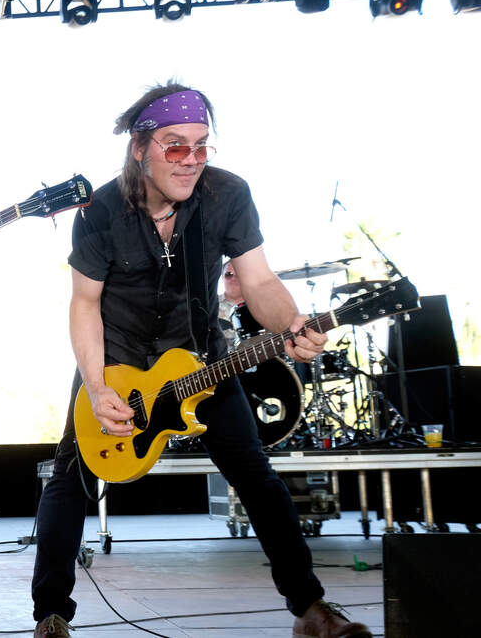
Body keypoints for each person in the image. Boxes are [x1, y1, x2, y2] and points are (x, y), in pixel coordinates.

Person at [30, 83, 372, 638]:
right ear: (139, 148)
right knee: (70, 477)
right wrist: (95, 385)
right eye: (174, 145)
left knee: (256, 477)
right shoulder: (100, 210)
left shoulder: (226, 195)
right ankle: (50, 615)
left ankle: (311, 609)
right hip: (115, 365)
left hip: (201, 362)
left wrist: (290, 322)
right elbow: (84, 303)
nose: (190, 159)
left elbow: (258, 281)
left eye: (200, 145)